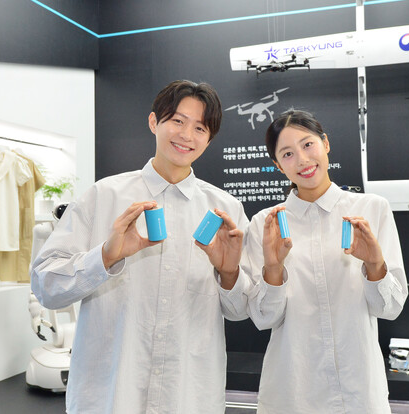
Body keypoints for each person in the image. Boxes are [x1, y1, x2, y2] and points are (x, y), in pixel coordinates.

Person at [31, 80, 250, 414]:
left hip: (188, 396)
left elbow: (240, 310)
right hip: (110, 395)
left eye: (200, 128)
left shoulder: (225, 210)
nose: (186, 135)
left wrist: (229, 272)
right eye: (177, 121)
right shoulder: (104, 195)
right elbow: (45, 287)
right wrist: (106, 256)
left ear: (209, 138)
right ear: (153, 122)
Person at [242, 109, 408, 413]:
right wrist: (274, 270)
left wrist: (375, 266)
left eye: (308, 145)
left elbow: (390, 308)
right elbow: (264, 318)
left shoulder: (372, 210)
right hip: (293, 391)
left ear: (325, 143)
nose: (302, 160)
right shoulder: (266, 225)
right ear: (278, 165)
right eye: (288, 154)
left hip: (359, 391)